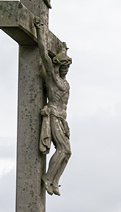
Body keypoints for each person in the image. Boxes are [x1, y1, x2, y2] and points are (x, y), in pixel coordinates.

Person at [34, 19, 71, 196]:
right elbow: (43, 52)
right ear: (58, 65)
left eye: (68, 67)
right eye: (64, 66)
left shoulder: (65, 82)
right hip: (53, 115)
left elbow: (59, 51)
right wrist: (41, 33)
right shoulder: (53, 78)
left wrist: (63, 49)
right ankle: (48, 178)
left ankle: (54, 181)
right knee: (64, 149)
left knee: (67, 153)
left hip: (62, 119)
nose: (67, 69)